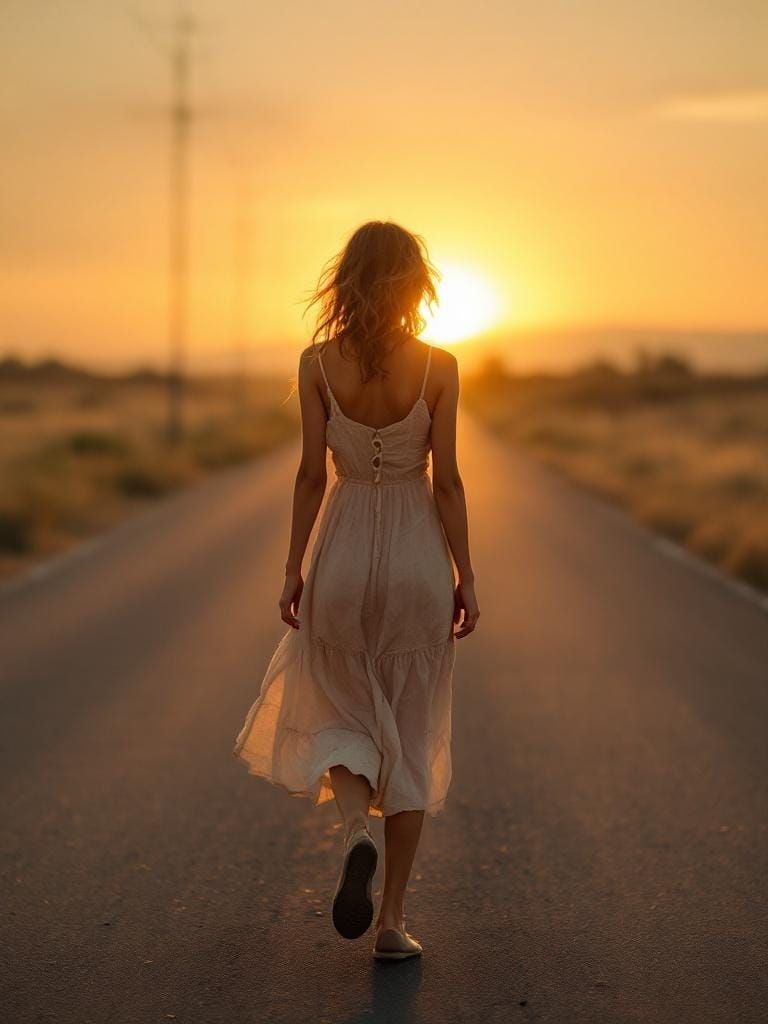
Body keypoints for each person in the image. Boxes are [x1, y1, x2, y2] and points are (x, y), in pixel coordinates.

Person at [233, 220, 479, 961]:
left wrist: (292, 569)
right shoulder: (439, 366)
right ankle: (393, 924)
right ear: (415, 281)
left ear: (346, 280)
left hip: (340, 551)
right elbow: (451, 481)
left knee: (338, 704)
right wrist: (467, 574)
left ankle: (356, 829)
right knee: (407, 730)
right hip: (415, 560)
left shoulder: (315, 364)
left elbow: (312, 475)